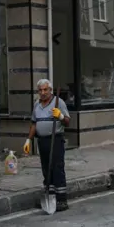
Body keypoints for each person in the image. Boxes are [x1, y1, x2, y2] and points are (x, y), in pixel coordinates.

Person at [23, 79, 70, 211]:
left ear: (50, 90)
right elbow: (34, 123)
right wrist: (28, 140)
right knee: (46, 169)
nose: (43, 93)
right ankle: (50, 195)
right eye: (40, 90)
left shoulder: (58, 102)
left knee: (57, 168)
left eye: (45, 90)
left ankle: (62, 200)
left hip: (55, 140)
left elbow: (67, 122)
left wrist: (60, 116)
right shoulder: (37, 104)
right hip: (42, 141)